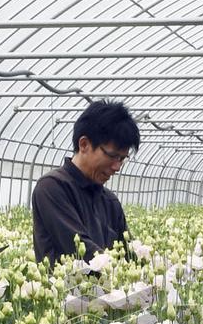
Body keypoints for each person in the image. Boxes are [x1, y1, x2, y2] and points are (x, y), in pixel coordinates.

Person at [32, 101, 140, 266]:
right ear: (84, 144)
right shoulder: (52, 188)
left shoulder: (110, 201)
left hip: (110, 290)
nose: (117, 167)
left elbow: (129, 254)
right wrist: (120, 271)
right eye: (112, 156)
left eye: (122, 159)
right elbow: (81, 249)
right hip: (66, 291)